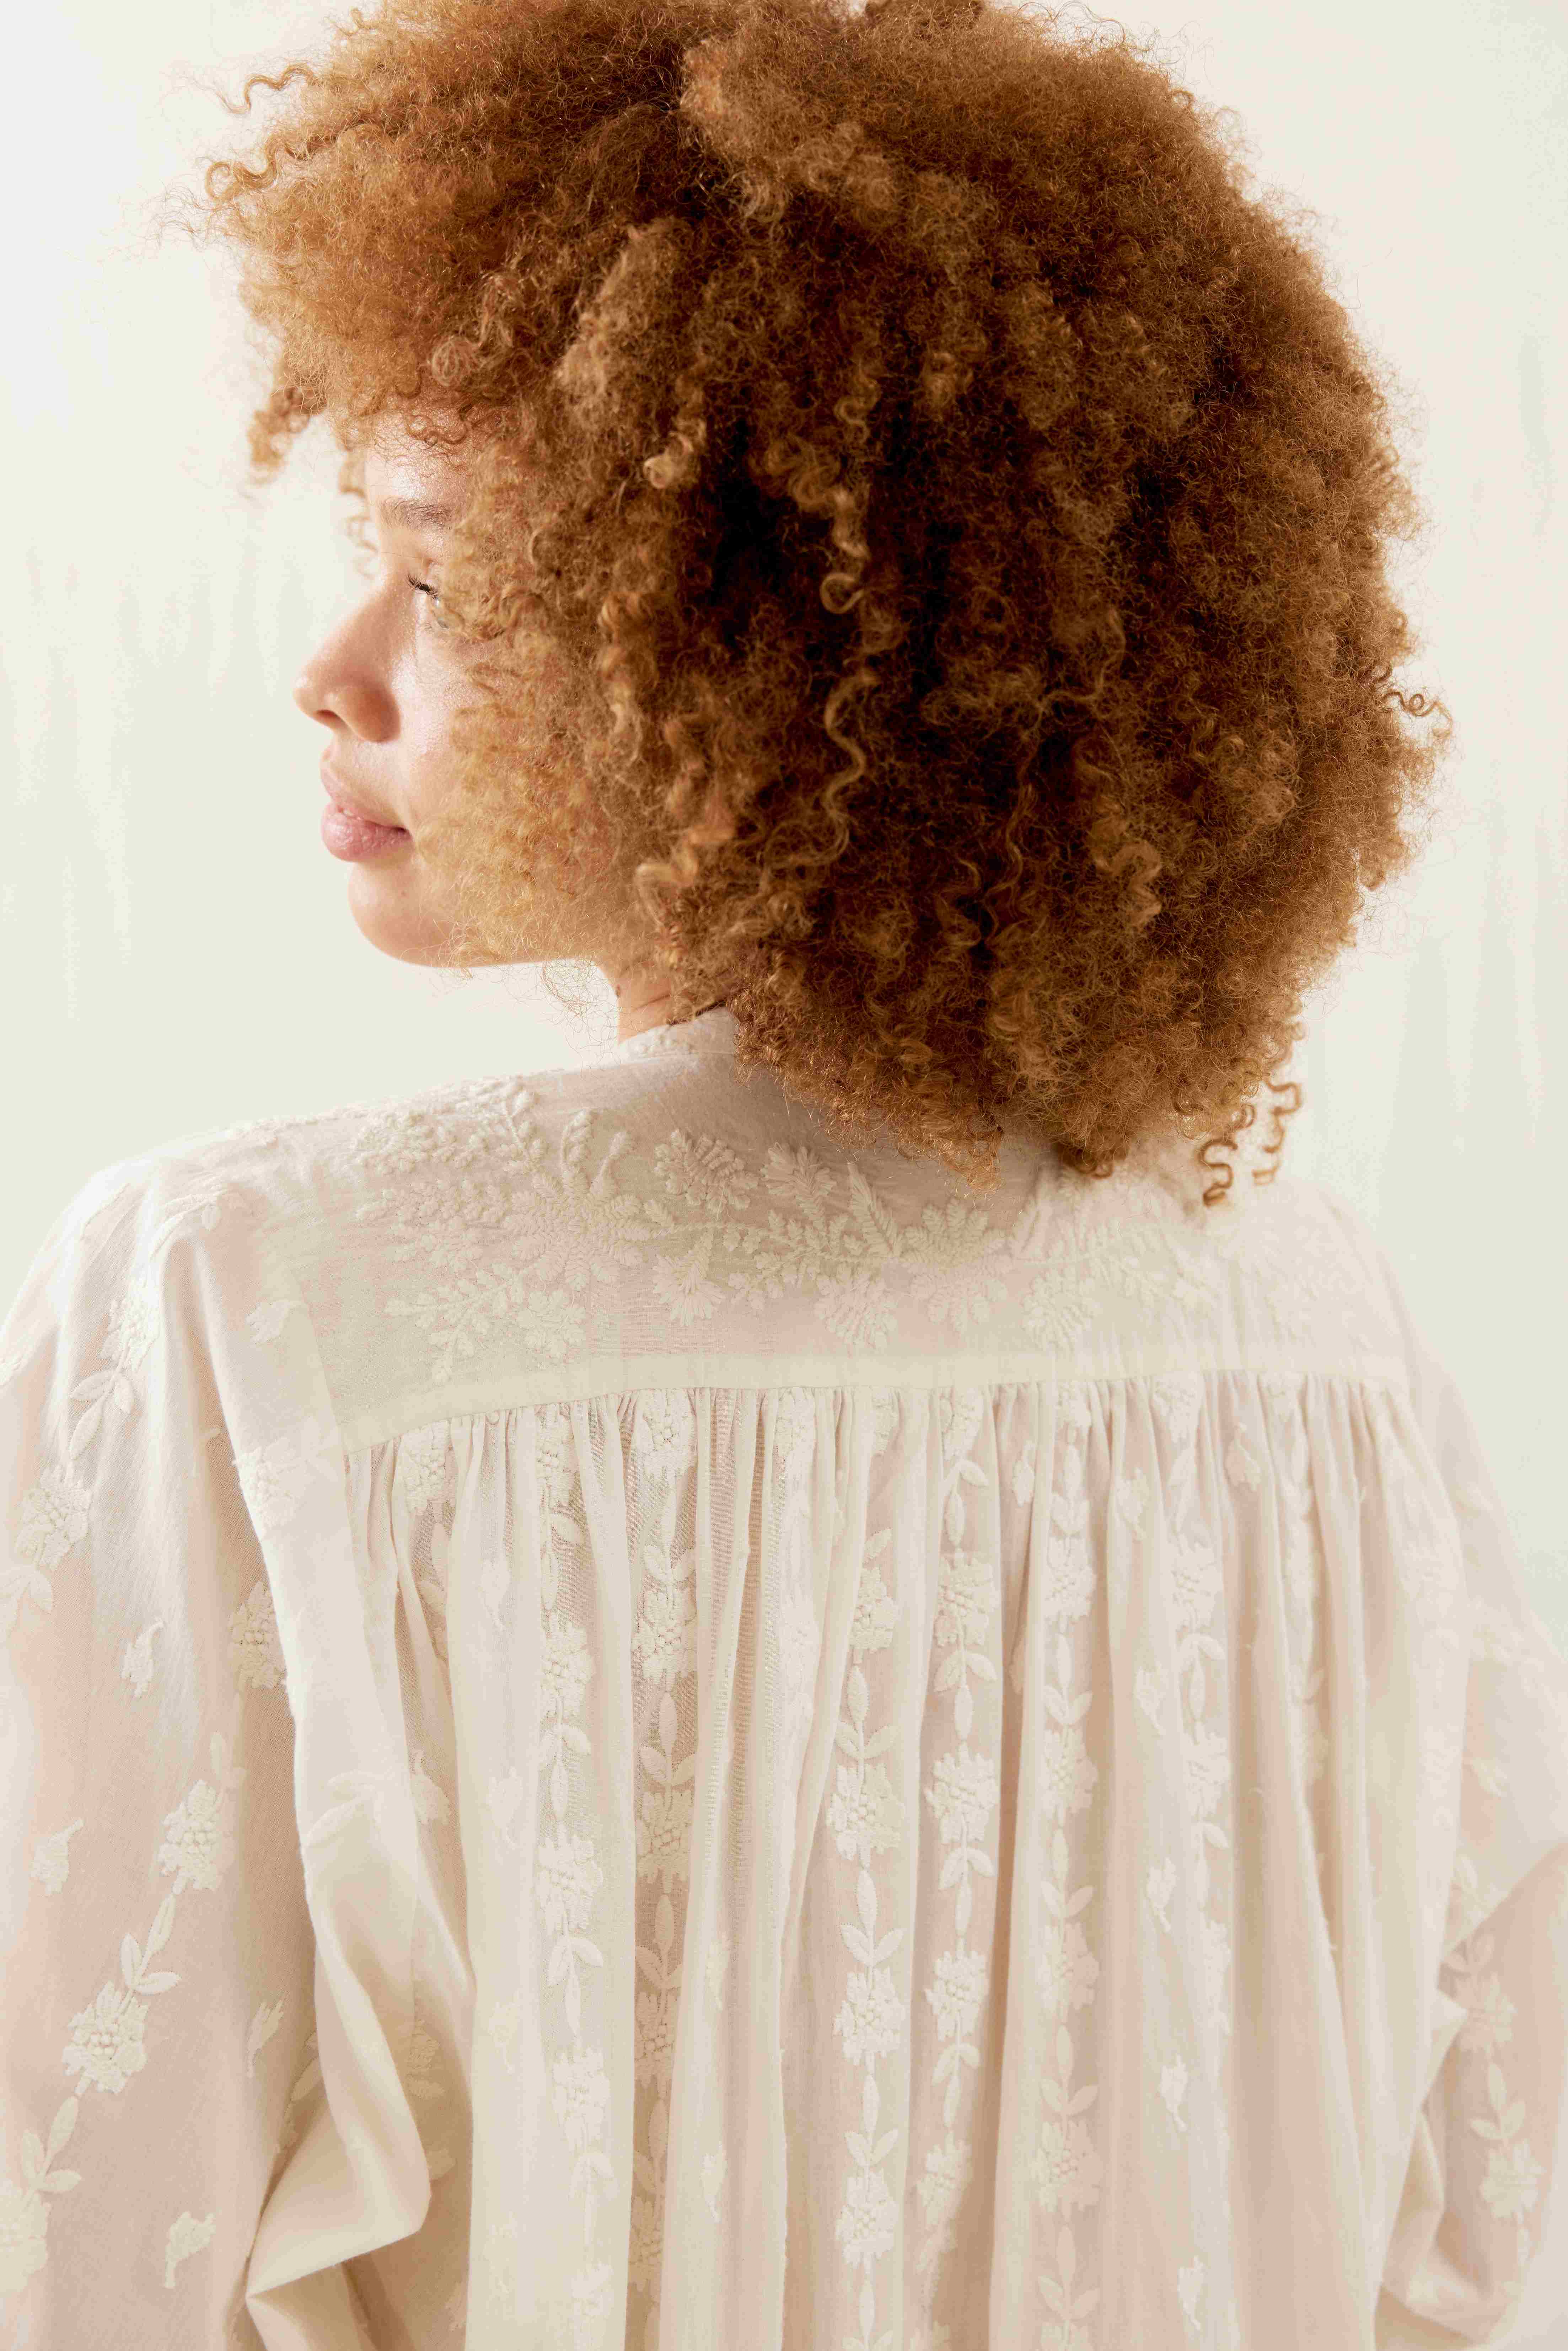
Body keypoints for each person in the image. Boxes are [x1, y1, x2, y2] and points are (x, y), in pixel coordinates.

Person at [2, 0, 1565, 2344]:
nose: (336, 664)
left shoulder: (241, 1310)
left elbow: (71, 2237)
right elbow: (1467, 2237)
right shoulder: (1332, 1362)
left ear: (752, 640)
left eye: (446, 575)